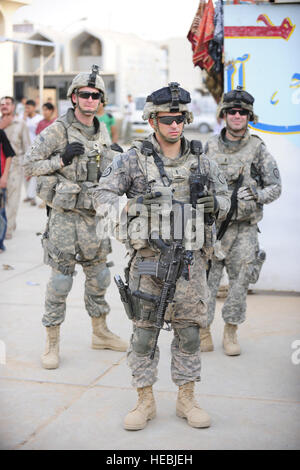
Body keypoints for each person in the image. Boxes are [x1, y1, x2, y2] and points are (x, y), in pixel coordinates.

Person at [93, 82, 230, 430]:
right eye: (167, 119)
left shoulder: (202, 160)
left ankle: (186, 399)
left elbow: (226, 199)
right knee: (143, 334)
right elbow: (101, 199)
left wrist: (219, 205)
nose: (175, 125)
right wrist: (132, 205)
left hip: (190, 263)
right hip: (149, 262)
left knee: (188, 333)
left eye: (180, 118)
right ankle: (145, 400)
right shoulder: (133, 160)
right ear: (152, 120)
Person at [24, 65, 127, 370]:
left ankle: (100, 332)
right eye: (85, 94)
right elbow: (29, 165)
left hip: (95, 219)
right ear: (73, 97)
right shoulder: (57, 130)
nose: (90, 99)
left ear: (101, 100)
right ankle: (52, 342)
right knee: (60, 282)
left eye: (96, 95)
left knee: (101, 278)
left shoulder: (101, 128)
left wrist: (116, 157)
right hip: (65, 220)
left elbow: (103, 166)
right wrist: (61, 158)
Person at [201, 87, 282, 355]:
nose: (237, 116)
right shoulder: (209, 146)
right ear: (223, 114)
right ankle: (202, 331)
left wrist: (255, 196)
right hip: (214, 229)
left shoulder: (257, 148)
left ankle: (231, 332)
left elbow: (275, 187)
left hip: (244, 230)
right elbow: (196, 184)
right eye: (232, 111)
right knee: (205, 282)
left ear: (249, 116)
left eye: (243, 112)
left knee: (240, 282)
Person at [0, 96, 30, 239]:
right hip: (1, 166)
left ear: (13, 107)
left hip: (16, 166)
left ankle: (8, 229)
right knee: (2, 201)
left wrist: (29, 168)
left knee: (12, 199)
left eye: (7, 104)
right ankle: (7, 223)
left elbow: (27, 146)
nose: (4, 106)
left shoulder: (21, 124)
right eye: (2, 104)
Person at [23, 99, 43, 206]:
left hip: (35, 150)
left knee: (34, 174)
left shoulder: (39, 119)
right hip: (24, 150)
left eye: (29, 107)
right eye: (26, 107)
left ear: (34, 107)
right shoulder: (23, 119)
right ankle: (28, 195)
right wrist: (24, 118)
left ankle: (32, 197)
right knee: (25, 173)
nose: (27, 109)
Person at [0, 129, 15, 252]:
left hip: (0, 180)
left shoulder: (1, 133)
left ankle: (0, 243)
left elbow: (9, 155)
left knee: (0, 213)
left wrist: (4, 176)